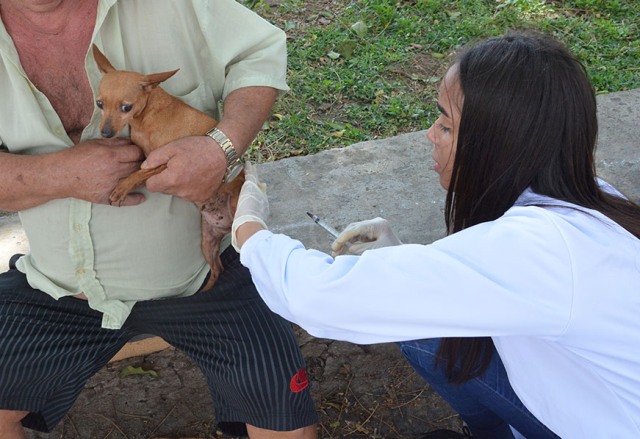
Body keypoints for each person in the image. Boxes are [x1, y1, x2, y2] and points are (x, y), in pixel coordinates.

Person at [231, 32, 640, 439]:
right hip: (587, 401)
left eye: (446, 124)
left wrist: (249, 228)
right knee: (425, 331)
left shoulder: (541, 249)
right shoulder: (588, 198)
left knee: (419, 331)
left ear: (499, 145)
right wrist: (400, 256)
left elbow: (317, 297)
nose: (430, 134)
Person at [0, 1, 318, 438]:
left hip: (205, 277)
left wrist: (221, 146)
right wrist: (60, 175)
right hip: (56, 287)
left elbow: (260, 51)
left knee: (285, 420)